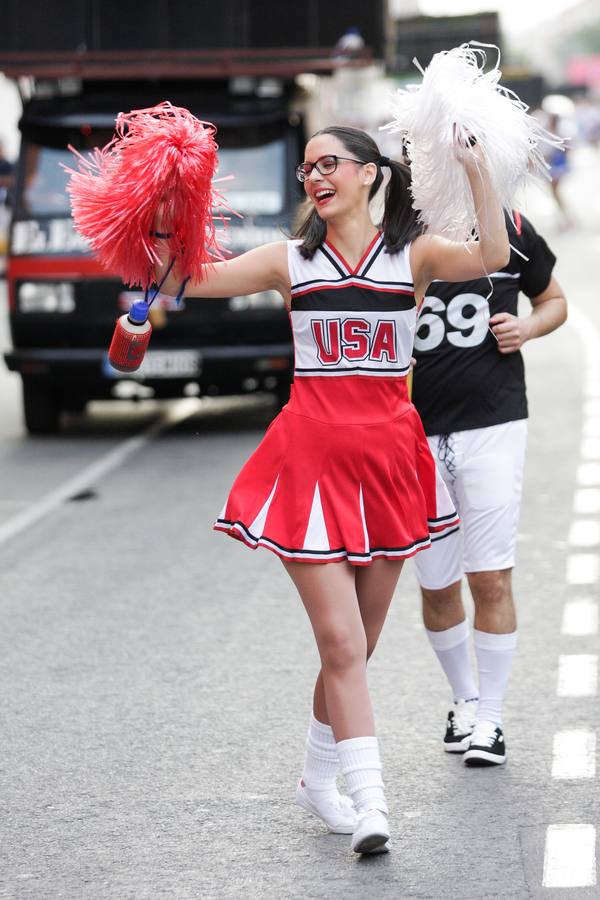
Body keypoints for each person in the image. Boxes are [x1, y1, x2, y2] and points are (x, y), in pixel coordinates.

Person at [155, 125, 509, 853]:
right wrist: (162, 212)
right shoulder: (289, 260)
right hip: (309, 466)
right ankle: (371, 803)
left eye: (329, 164)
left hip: (389, 468)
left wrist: (479, 173)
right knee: (341, 642)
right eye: (306, 168)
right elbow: (185, 277)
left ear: (371, 175)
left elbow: (493, 257)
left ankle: (317, 780)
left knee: (360, 647)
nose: (314, 176)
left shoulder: (414, 255)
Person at [411, 209, 567, 766]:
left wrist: (528, 326)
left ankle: (493, 719)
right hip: (414, 432)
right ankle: (465, 701)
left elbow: (554, 301)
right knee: (436, 584)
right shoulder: (394, 228)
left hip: (494, 422)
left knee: (491, 577)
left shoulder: (511, 228)